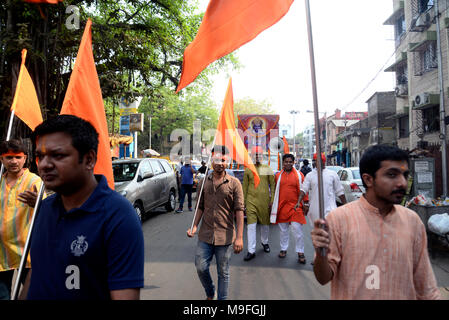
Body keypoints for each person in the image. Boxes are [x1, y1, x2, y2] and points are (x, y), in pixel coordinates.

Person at [21, 115, 144, 300]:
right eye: (40, 156)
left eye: (58, 155)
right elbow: (37, 272)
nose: (45, 165)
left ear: (88, 160)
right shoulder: (44, 209)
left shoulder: (118, 216)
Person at [311, 144, 441, 300]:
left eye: (404, 175)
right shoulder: (338, 219)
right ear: (368, 179)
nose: (402, 183)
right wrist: (320, 254)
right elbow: (323, 278)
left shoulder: (412, 221)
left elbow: (426, 288)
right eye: (392, 175)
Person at [187, 145, 244, 300]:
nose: (220, 163)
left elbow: (239, 211)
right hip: (205, 235)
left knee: (223, 272)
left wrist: (239, 237)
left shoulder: (234, 184)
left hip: (225, 237)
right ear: (212, 160)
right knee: (200, 267)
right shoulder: (203, 182)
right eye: (217, 160)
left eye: (223, 160)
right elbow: (200, 206)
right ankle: (210, 292)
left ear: (228, 162)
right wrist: (194, 226)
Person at [0, 139, 44, 300]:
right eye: (9, 157)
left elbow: (47, 212)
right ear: (2, 159)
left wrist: (39, 204)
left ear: (25, 158)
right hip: (2, 252)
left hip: (27, 251)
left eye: (18, 157)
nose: (13, 161)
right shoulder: (0, 181)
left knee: (32, 294)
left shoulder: (34, 181)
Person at [271, 154, 308, 263]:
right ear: (283, 163)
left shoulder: (299, 175)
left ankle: (300, 252)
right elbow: (274, 191)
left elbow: (304, 190)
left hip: (296, 207)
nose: (288, 163)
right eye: (286, 162)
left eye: (290, 162)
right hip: (282, 207)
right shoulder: (278, 176)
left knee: (298, 230)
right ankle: (283, 249)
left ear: (293, 162)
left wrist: (306, 203)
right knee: (283, 231)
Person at [242, 146, 275, 261]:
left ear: (262, 156)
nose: (257, 157)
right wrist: (243, 203)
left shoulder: (267, 169)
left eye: (259, 155)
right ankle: (251, 251)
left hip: (264, 202)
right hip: (251, 201)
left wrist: (272, 201)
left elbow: (273, 186)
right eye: (255, 155)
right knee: (251, 226)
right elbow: (244, 188)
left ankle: (264, 242)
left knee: (265, 225)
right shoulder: (248, 170)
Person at [296, 153, 346, 224]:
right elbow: (304, 190)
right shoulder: (310, 176)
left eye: (320, 161)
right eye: (316, 161)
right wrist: (298, 202)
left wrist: (346, 206)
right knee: (318, 233)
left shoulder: (332, 174)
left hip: (330, 209)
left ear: (324, 161)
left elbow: (340, 192)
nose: (318, 163)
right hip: (315, 210)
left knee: (330, 231)